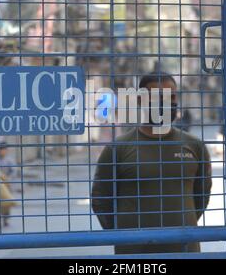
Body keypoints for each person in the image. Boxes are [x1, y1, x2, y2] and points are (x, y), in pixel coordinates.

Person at [91, 72, 212, 254]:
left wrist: (182, 224)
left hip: (185, 249)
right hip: (135, 251)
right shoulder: (118, 149)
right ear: (141, 100)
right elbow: (101, 200)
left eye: (171, 97)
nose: (167, 103)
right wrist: (122, 234)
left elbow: (201, 196)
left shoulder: (194, 146)